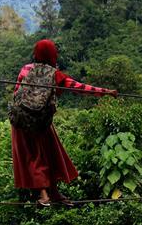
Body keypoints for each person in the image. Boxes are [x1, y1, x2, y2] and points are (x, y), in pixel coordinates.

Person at [11, 39, 116, 206]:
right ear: (53, 55)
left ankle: (52, 193)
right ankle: (46, 195)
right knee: (47, 155)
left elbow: (16, 93)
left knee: (32, 155)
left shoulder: (26, 69)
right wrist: (106, 92)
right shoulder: (55, 75)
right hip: (41, 123)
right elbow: (79, 87)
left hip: (20, 121)